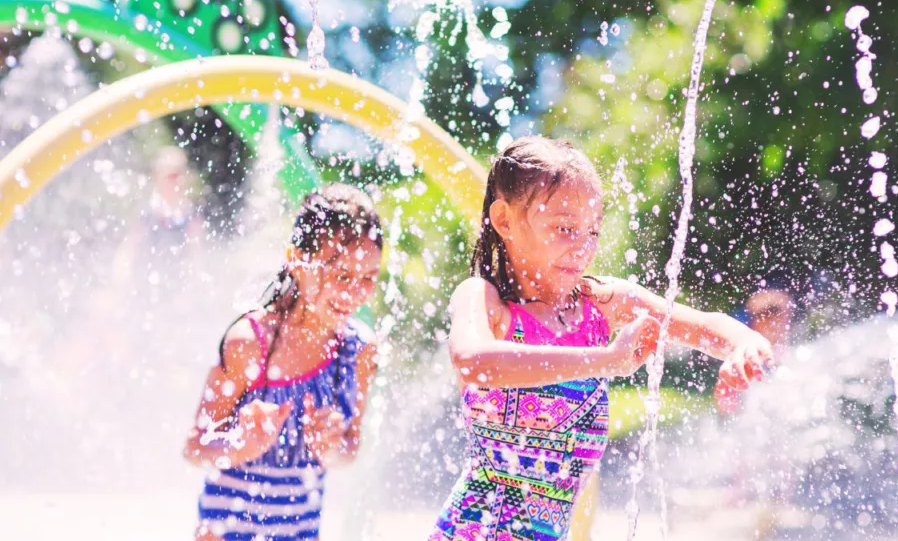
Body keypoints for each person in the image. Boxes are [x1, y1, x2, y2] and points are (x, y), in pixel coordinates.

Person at [429, 136, 774, 541]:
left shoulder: (602, 304)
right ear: (505, 221)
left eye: (592, 231)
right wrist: (609, 360)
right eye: (564, 228)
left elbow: (702, 326)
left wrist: (744, 344)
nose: (583, 247)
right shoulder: (486, 302)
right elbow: (473, 362)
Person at [184, 184, 383, 541]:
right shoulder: (250, 343)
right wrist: (241, 444)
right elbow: (195, 447)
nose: (354, 293)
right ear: (295, 259)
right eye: (340, 275)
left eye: (368, 279)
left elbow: (351, 447)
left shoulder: (358, 350)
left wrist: (331, 449)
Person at [714, 289, 793, 417]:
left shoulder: (788, 353)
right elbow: (724, 401)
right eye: (775, 324)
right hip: (747, 422)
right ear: (758, 322)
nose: (782, 329)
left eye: (784, 323)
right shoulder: (745, 355)